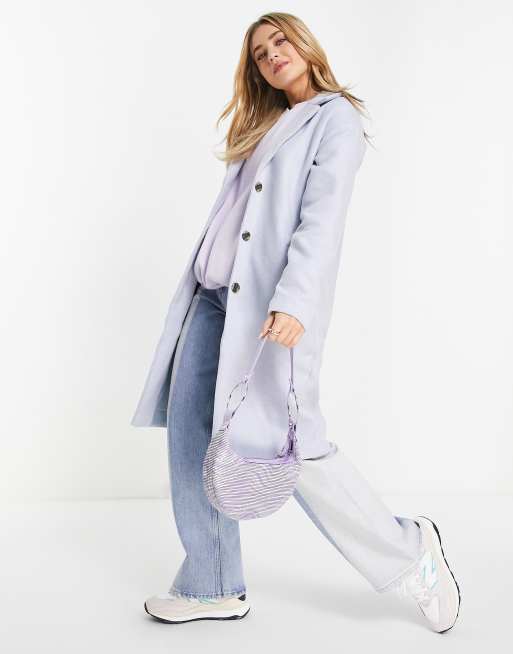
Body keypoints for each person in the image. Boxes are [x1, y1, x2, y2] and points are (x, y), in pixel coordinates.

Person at [134, 12, 461, 632]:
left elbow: (322, 221)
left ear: (306, 45)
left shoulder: (335, 118)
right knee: (192, 437)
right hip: (210, 300)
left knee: (292, 445)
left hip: (267, 312)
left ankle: (409, 552)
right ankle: (211, 584)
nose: (271, 56)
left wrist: (295, 303)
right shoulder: (265, 124)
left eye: (280, 41)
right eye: (260, 53)